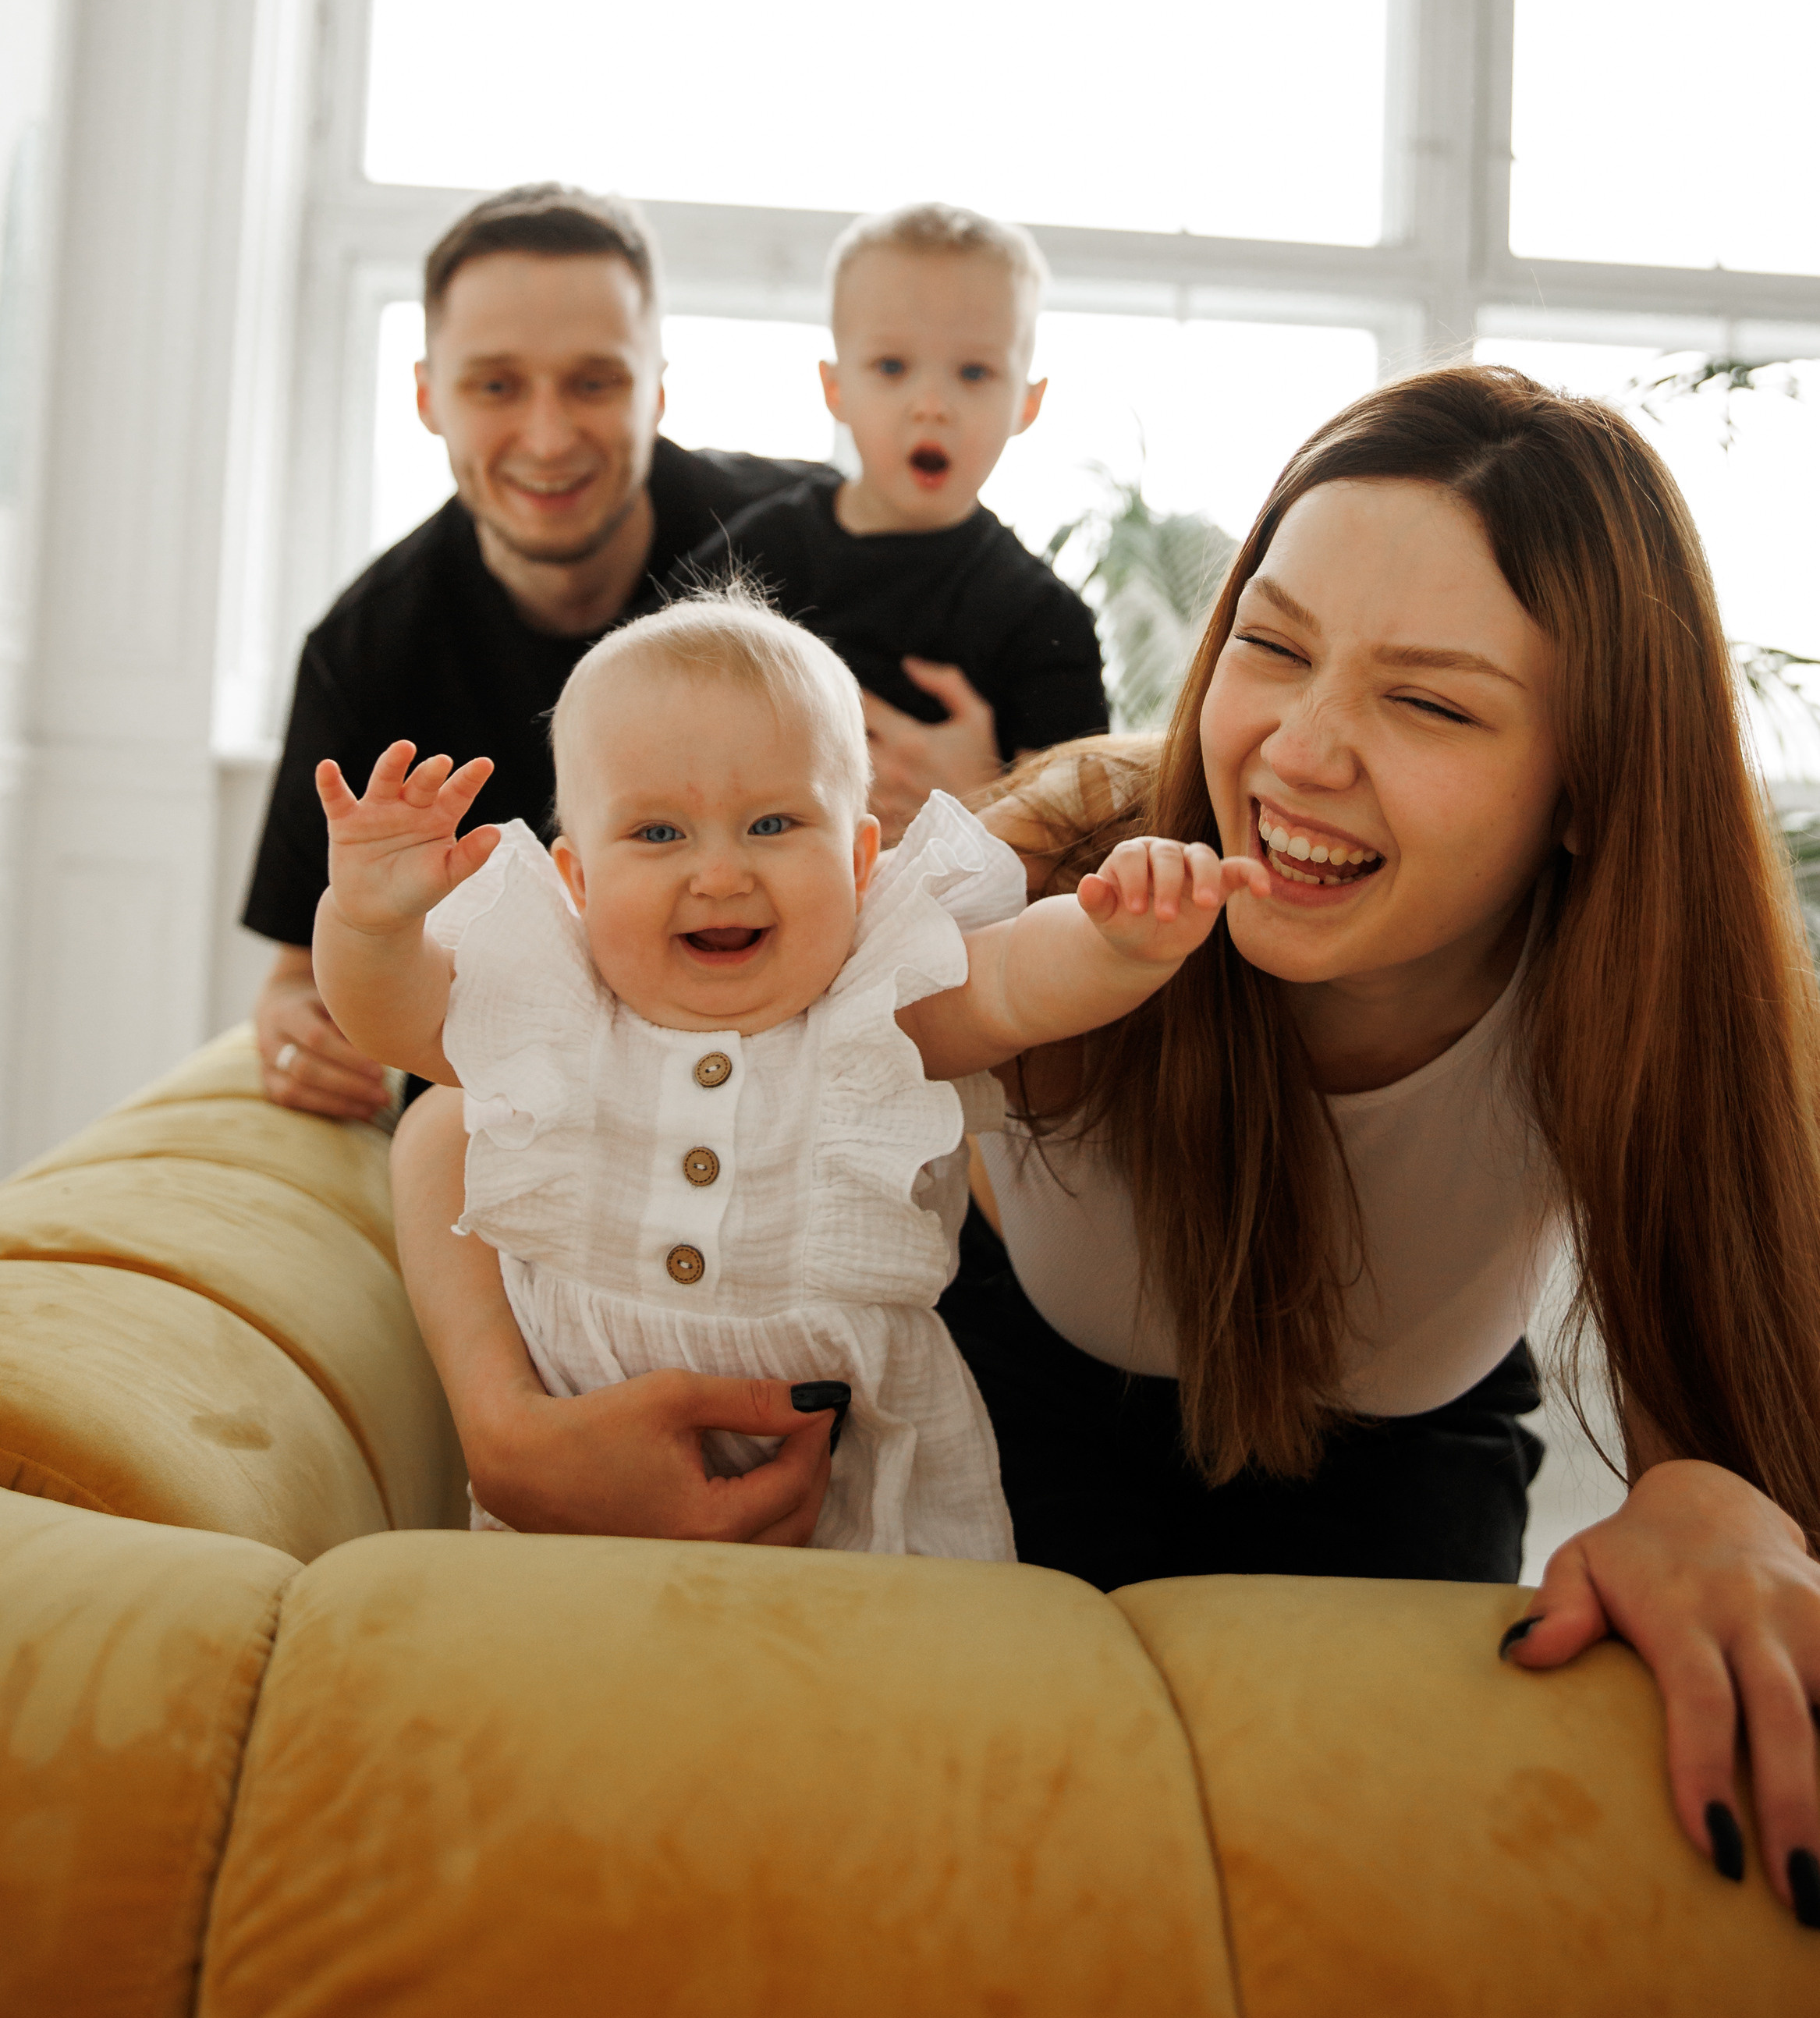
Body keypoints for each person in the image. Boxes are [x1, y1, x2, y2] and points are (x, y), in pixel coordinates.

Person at [387, 363, 1820, 1925]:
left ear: (1587, 782)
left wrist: (1709, 1493)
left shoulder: (1646, 985)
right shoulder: (1069, 858)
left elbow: (1724, 1357)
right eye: (1270, 645)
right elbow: (485, 1095)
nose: (1297, 754)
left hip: (1401, 1453)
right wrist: (503, 1427)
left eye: (1425, 702)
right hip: (1020, 1402)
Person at [310, 590, 1254, 1556]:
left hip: (859, 1499)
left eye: (771, 823)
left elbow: (1014, 980)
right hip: (585, 1489)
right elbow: (393, 1014)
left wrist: (1117, 942)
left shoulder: (877, 1007)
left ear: (859, 859)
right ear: (578, 881)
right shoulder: (552, 1009)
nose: (720, 874)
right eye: (658, 833)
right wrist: (367, 920)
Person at [243, 183, 838, 1122]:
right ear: (428, 396)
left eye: (594, 382)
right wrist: (292, 1031)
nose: (549, 437)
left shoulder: (819, 546)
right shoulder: (364, 647)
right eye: (496, 385)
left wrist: (976, 774)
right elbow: (295, 976)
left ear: (655, 388)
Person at [673, 201, 1106, 843]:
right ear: (835, 388)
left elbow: (1083, 850)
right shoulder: (750, 560)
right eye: (892, 367)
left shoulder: (1043, 619)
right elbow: (638, 717)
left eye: (974, 372)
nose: (930, 406)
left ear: (1027, 402)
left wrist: (983, 798)